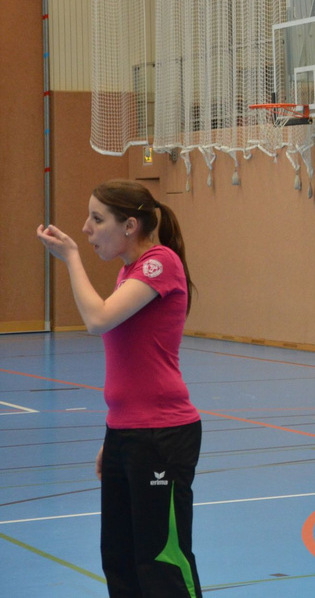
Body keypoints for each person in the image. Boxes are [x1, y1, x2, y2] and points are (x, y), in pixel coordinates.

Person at [36, 179, 202, 597]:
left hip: (162, 436)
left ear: (130, 226)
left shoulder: (160, 263)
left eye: (97, 219)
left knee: (161, 561)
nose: (86, 228)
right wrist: (115, 436)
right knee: (120, 560)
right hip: (126, 433)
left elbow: (98, 320)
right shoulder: (129, 271)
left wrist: (71, 257)